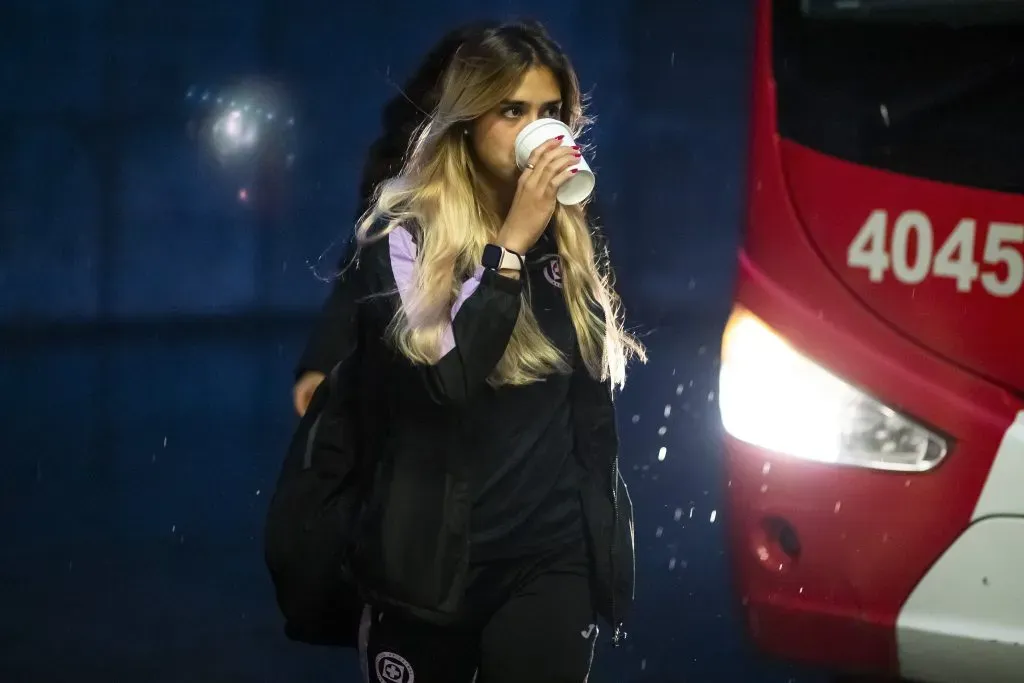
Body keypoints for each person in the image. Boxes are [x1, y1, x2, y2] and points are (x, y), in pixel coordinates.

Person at [342, 19, 645, 683]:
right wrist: (506, 249)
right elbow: (444, 383)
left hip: (549, 560)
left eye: (550, 113)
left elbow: (590, 414)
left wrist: (603, 551)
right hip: (432, 567)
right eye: (512, 111)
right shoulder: (403, 233)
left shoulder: (570, 231)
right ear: (467, 122)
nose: (537, 132)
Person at [291, 22, 496, 417]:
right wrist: (323, 362)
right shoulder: (402, 168)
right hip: (414, 384)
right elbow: (360, 272)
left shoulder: (552, 181)